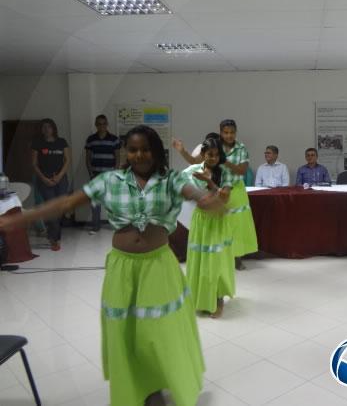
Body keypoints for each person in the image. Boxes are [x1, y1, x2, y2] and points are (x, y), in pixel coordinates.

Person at [2, 125, 222, 406]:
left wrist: (209, 199)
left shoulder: (171, 180)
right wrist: (21, 217)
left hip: (158, 266)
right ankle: (138, 388)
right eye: (133, 149)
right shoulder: (110, 180)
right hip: (122, 268)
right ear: (125, 152)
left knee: (159, 331)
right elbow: (67, 202)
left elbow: (197, 195)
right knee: (127, 332)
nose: (139, 154)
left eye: (145, 149)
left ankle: (159, 383)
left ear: (156, 152)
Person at [181, 137, 235, 318]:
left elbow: (225, 198)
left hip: (217, 221)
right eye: (209, 154)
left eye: (216, 155)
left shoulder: (226, 173)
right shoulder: (193, 170)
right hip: (200, 220)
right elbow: (181, 187)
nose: (212, 158)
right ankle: (202, 299)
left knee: (215, 262)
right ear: (203, 155)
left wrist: (211, 183)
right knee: (200, 260)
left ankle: (218, 300)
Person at [219, 119, 258, 270]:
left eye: (232, 133)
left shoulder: (241, 148)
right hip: (218, 189)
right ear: (221, 132)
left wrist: (225, 162)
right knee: (220, 224)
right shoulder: (215, 146)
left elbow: (242, 170)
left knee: (237, 226)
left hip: (236, 190)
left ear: (236, 133)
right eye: (226, 132)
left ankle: (237, 258)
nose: (229, 136)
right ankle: (221, 257)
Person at [31, 118, 71, 251]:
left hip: (61, 179)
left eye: (49, 127)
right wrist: (44, 179)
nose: (46, 129)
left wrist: (59, 176)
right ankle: (55, 239)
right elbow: (34, 164)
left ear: (53, 128)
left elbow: (67, 160)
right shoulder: (37, 143)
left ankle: (52, 234)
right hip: (44, 180)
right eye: (44, 127)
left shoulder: (62, 142)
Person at [85, 114, 121, 234]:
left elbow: (117, 158)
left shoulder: (114, 139)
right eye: (99, 124)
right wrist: (91, 174)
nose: (102, 126)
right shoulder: (91, 139)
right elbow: (88, 158)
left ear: (107, 124)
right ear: (96, 125)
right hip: (95, 176)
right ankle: (96, 227)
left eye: (104, 123)